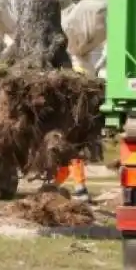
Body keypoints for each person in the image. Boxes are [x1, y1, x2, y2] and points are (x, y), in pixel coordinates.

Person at [53, 64, 91, 201]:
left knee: (72, 161)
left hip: (73, 133)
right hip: (72, 133)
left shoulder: (77, 98)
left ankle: (79, 190)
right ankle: (55, 187)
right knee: (67, 162)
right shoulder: (74, 96)